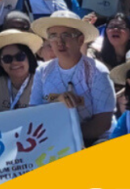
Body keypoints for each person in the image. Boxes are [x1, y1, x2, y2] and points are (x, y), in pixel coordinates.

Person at [28, 11, 115, 145]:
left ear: (80, 40)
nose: (59, 42)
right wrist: (57, 102)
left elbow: (102, 123)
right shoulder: (42, 71)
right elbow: (34, 113)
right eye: (53, 36)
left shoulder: (97, 71)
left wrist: (65, 136)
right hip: (53, 140)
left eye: (66, 35)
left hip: (93, 141)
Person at [0, 30, 44, 114]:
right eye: (7, 59)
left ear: (29, 58)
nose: (14, 62)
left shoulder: (42, 80)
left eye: (20, 57)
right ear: (0, 63)